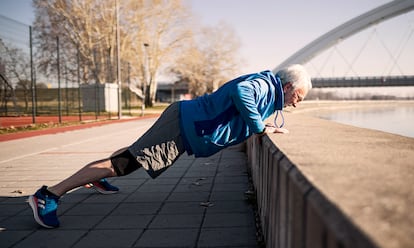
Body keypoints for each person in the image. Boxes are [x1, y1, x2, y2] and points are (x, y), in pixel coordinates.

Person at [28, 64, 312, 228]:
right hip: (184, 126)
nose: (297, 103)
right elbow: (241, 92)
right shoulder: (263, 86)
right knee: (124, 164)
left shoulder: (267, 89)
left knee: (131, 156)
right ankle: (48, 195)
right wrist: (260, 126)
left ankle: (96, 177)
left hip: (185, 124)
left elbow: (242, 110)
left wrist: (265, 125)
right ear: (287, 86)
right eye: (299, 96)